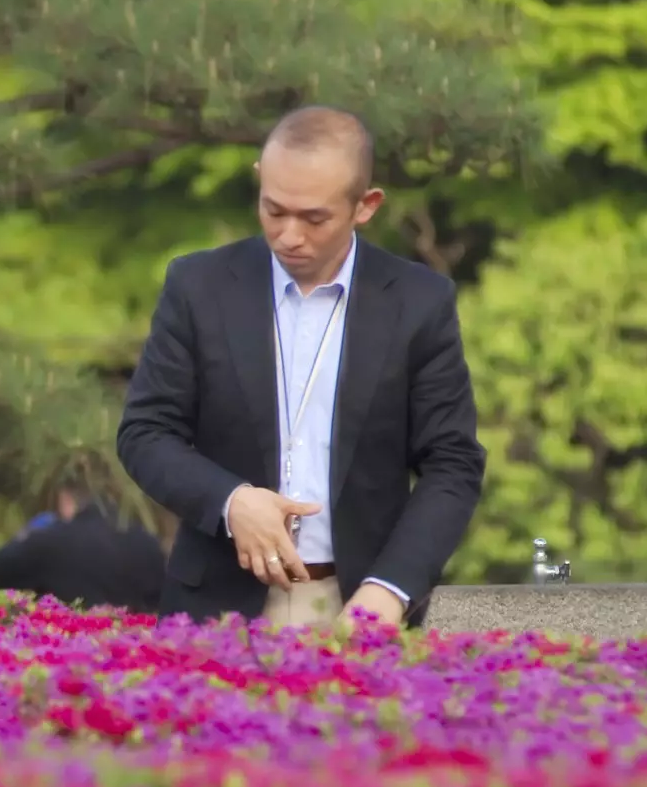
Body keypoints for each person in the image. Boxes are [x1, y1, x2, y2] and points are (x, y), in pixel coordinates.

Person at [114, 106, 486, 631]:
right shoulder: (198, 286)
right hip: (215, 609)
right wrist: (231, 502)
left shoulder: (419, 302)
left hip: (361, 607)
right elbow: (144, 434)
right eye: (273, 210)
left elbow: (452, 463)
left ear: (366, 205)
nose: (289, 235)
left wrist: (392, 587)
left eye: (314, 218)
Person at [0, 486, 165, 613]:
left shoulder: (48, 540)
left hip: (63, 661)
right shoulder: (147, 541)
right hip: (134, 663)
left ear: (65, 497)